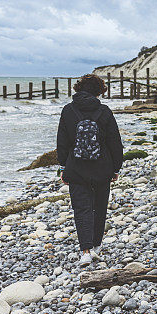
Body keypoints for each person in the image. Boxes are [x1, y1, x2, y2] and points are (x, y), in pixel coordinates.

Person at [57, 74, 123, 266]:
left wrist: (63, 166)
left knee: (82, 208)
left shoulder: (68, 110)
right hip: (102, 168)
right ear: (99, 91)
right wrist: (116, 167)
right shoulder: (104, 111)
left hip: (76, 167)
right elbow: (114, 142)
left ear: (78, 89)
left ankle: (85, 251)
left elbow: (62, 142)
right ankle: (96, 247)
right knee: (99, 207)